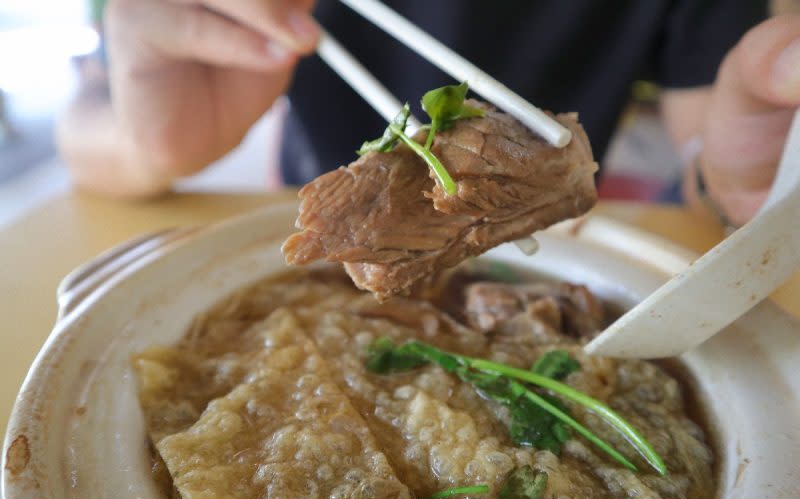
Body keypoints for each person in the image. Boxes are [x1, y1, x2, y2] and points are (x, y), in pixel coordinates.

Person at [57, 0, 796, 227]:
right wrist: (140, 139)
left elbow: (708, 157)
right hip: (304, 221)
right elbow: (82, 125)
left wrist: (742, 180)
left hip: (545, 233)